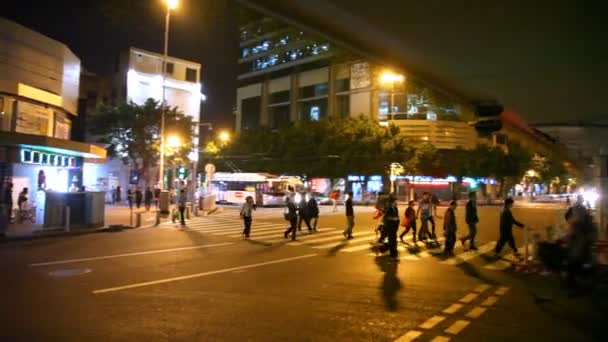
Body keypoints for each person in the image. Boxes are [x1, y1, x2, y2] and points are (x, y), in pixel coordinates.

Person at [562, 194, 596, 294]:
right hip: (589, 237)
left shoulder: (576, 210)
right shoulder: (581, 209)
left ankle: (574, 286)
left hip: (586, 238)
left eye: (568, 220)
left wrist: (567, 237)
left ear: (569, 216)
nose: (569, 223)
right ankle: (583, 279)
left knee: (573, 260)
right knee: (579, 259)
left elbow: (574, 224)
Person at [378, 194, 400, 260]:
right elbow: (387, 217)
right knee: (392, 240)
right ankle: (393, 255)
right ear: (392, 201)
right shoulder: (388, 207)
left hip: (394, 227)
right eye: (395, 200)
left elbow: (396, 216)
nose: (396, 202)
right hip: (389, 226)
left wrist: (396, 219)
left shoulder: (395, 207)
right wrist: (394, 219)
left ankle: (384, 249)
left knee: (393, 240)